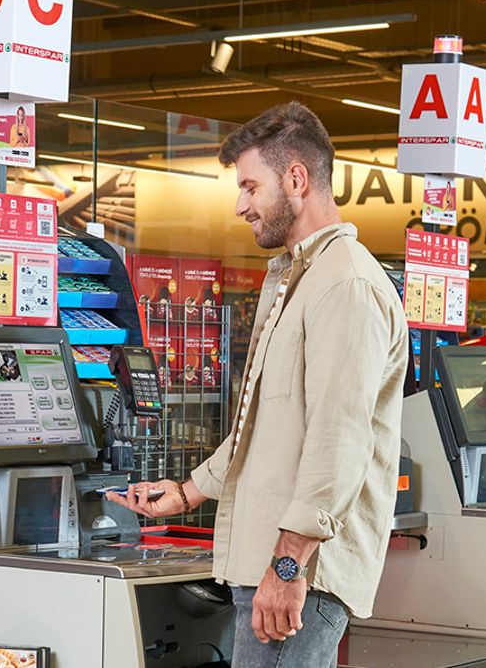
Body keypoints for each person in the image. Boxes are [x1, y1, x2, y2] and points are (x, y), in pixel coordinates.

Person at [107, 101, 409, 667]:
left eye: (250, 186)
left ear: (296, 179)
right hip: (273, 567)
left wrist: (289, 565)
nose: (240, 205)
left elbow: (338, 439)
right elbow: (265, 425)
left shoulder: (344, 286)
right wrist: (186, 492)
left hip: (298, 577)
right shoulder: (300, 278)